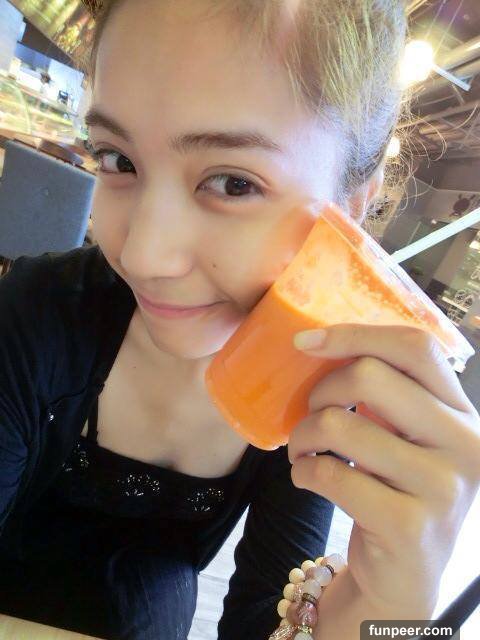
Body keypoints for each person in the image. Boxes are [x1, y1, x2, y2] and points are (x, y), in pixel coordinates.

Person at [0, 1, 479, 639]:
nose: (142, 256)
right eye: (118, 159)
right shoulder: (36, 309)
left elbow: (264, 621)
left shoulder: (321, 393)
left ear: (351, 209)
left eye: (232, 183)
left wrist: (389, 615)